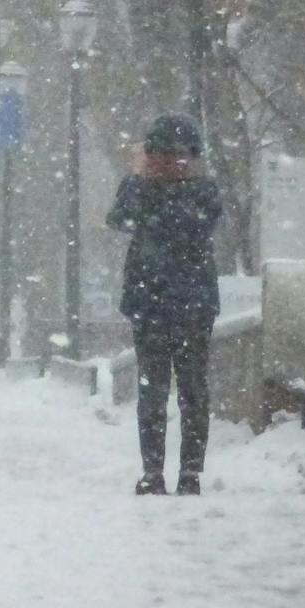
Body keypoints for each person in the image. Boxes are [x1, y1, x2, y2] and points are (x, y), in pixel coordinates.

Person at [106, 113, 224, 497]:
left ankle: (190, 471)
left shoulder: (204, 192)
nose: (170, 162)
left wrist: (152, 197)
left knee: (192, 389)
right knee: (153, 391)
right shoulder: (137, 188)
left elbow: (186, 223)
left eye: (178, 155)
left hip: (190, 304)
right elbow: (118, 218)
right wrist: (141, 182)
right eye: (160, 154)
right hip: (151, 303)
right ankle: (152, 470)